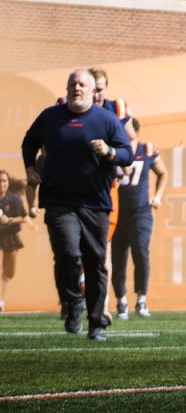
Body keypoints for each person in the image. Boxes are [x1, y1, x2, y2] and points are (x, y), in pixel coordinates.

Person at [21, 69, 132, 339]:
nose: (77, 88)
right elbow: (29, 142)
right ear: (67, 88)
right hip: (59, 201)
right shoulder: (51, 117)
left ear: (93, 90)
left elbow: (127, 154)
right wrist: (29, 169)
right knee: (68, 254)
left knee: (95, 262)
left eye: (82, 84)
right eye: (73, 84)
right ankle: (72, 303)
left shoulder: (106, 119)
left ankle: (96, 322)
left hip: (95, 203)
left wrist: (110, 152)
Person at [111, 118, 166, 320]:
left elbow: (163, 173)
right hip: (116, 212)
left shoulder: (147, 149)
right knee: (118, 258)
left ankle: (141, 299)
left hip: (140, 211)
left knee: (140, 251)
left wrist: (158, 196)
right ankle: (121, 301)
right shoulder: (112, 150)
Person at [0, 170, 29, 313]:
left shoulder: (15, 199)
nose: (2, 184)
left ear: (8, 183)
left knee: (9, 273)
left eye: (4, 181)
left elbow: (24, 217)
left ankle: (1, 298)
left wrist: (10, 220)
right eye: (0, 181)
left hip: (11, 236)